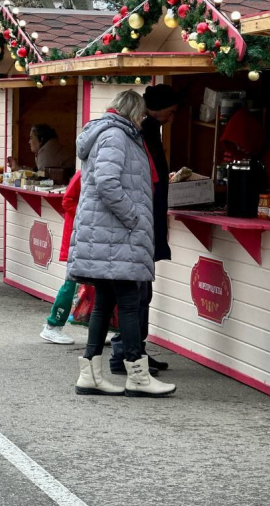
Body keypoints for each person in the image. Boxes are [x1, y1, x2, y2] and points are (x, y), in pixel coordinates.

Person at [68, 90, 176, 398]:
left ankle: (89, 373)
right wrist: (135, 217)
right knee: (130, 302)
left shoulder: (108, 133)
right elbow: (108, 182)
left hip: (106, 235)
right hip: (117, 235)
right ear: (134, 112)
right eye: (142, 115)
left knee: (105, 304)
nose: (144, 121)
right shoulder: (117, 136)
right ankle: (137, 376)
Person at [109, 84, 178, 375]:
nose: (171, 118)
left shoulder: (145, 130)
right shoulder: (139, 132)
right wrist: (138, 219)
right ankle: (128, 354)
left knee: (139, 292)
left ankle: (135, 351)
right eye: (170, 112)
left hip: (146, 221)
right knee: (136, 293)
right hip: (142, 223)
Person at [40, 171, 81, 344]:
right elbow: (67, 200)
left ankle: (103, 329)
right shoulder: (83, 173)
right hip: (78, 236)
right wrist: (88, 215)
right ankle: (52, 325)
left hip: (87, 236)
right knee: (71, 283)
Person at [7, 124, 73, 171]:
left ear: (41, 139)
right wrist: (18, 168)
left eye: (31, 138)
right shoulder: (50, 147)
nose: (29, 142)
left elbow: (40, 179)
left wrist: (19, 169)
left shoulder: (47, 152)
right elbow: (38, 173)